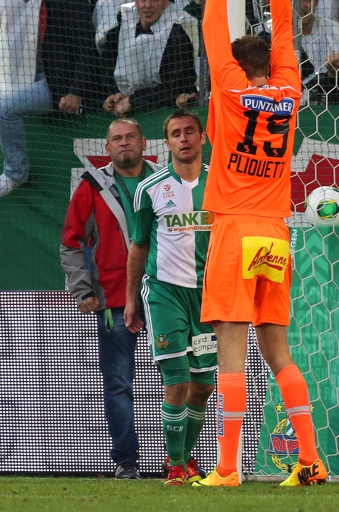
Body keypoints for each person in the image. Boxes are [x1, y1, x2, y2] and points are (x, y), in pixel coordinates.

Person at [195, 0, 327, 487]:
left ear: (237, 68)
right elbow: (286, 42)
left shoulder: (227, 90)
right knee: (280, 355)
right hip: (274, 232)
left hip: (233, 230)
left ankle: (226, 468)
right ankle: (310, 460)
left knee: (231, 353)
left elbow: (210, 31)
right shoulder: (290, 91)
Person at [60, 118, 159, 479]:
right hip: (115, 300)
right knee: (119, 383)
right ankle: (126, 462)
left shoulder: (164, 181)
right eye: (116, 139)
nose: (124, 143)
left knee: (181, 378)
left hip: (167, 294)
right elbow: (71, 241)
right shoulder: (91, 185)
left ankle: (179, 461)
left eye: (130, 136)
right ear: (107, 149)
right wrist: (83, 290)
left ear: (144, 141)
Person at [125, 110, 217, 486]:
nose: (184, 139)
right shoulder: (149, 189)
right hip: (165, 292)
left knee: (204, 386)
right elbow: (138, 245)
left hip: (210, 297)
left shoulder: (220, 185)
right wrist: (131, 299)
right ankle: (176, 466)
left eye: (190, 131)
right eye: (176, 133)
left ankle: (183, 457)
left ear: (202, 137)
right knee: (177, 380)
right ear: (167, 143)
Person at [0, 0, 99, 197]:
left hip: (54, 82)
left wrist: (75, 90)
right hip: (22, 74)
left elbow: (87, 46)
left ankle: (15, 173)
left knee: (3, 110)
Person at [101, 0, 198, 117]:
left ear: (165, 2)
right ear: (136, 1)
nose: (148, 5)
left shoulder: (178, 34)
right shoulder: (118, 31)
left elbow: (175, 86)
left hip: (168, 112)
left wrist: (134, 100)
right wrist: (113, 94)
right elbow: (106, 66)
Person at [295, 0, 339, 82]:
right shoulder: (271, 34)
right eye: (295, 0)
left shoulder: (337, 32)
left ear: (317, 0)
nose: (301, 5)